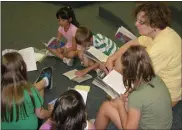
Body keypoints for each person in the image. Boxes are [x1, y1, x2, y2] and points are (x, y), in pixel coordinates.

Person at [105, 2, 181, 107]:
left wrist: (123, 92)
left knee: (116, 103)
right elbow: (133, 43)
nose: (136, 24)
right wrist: (112, 57)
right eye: (137, 20)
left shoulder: (159, 48)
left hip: (167, 96)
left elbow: (140, 79)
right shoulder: (159, 31)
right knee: (120, 66)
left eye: (141, 22)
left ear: (154, 24)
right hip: (158, 81)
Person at [95, 45, 173, 130]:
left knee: (106, 106)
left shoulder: (136, 97)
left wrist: (120, 105)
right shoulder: (155, 78)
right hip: (164, 126)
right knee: (117, 102)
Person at [1, 52, 53, 129]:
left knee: (31, 91)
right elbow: (41, 114)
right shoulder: (30, 91)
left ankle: (44, 81)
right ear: (22, 68)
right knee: (33, 92)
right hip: (29, 127)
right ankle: (44, 81)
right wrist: (51, 113)